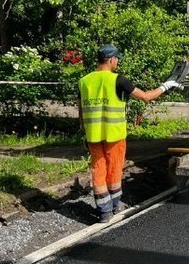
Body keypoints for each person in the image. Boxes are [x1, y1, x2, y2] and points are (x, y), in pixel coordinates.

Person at [78, 44, 181, 223]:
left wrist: (84, 133)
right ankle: (116, 205)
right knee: (115, 169)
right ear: (111, 59)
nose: (117, 63)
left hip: (93, 136)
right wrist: (166, 86)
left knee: (98, 170)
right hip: (115, 135)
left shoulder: (84, 81)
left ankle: (104, 212)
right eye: (117, 60)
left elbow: (81, 112)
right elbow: (146, 97)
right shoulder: (118, 80)